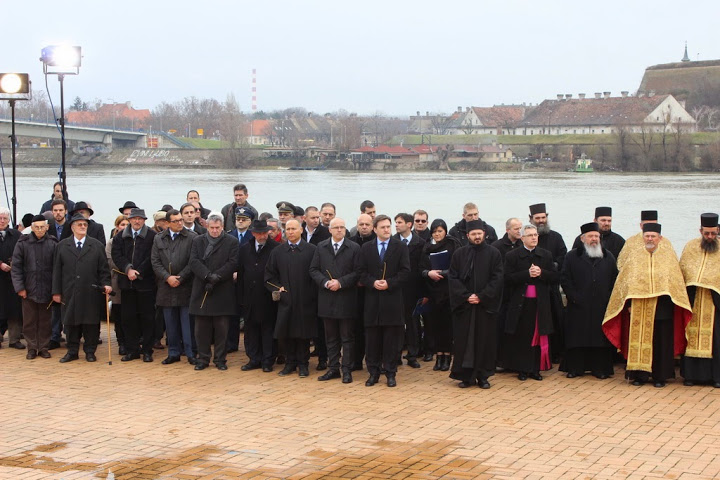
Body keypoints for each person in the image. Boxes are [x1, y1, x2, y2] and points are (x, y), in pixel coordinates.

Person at [603, 223, 692, 387]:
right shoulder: (634, 257)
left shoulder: (668, 257)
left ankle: (660, 376)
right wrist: (628, 304)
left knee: (660, 342)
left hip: (662, 307)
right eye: (647, 236)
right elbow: (625, 283)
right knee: (638, 340)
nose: (650, 239)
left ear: (660, 238)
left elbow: (675, 283)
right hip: (638, 307)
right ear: (643, 237)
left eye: (653, 236)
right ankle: (639, 376)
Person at [448, 219, 504, 388]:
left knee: (485, 341)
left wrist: (482, 296)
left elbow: (497, 278)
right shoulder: (459, 254)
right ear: (468, 235)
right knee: (464, 342)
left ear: (484, 234)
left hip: (484, 306)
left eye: (479, 233)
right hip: (465, 306)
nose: (477, 236)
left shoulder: (494, 253)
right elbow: (453, 277)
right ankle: (465, 377)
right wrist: (466, 296)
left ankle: (483, 376)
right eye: (474, 234)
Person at [357, 214, 410, 387]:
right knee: (372, 340)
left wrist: (389, 283)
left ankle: (390, 373)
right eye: (383, 227)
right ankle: (373, 373)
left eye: (388, 226)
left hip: (392, 300)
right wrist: (372, 282)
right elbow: (361, 272)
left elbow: (405, 272)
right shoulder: (366, 248)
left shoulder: (400, 247)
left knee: (391, 341)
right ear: (375, 229)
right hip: (372, 301)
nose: (387, 230)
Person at [560, 223, 618, 379]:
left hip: (601, 305)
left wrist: (608, 298)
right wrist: (573, 297)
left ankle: (599, 369)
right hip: (578, 305)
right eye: (591, 236)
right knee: (577, 338)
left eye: (596, 236)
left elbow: (614, 280)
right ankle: (575, 368)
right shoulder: (572, 256)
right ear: (582, 238)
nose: (594, 239)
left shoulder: (608, 256)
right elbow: (565, 279)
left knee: (599, 339)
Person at [52, 214, 112, 363]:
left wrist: (106, 284)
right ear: (72, 227)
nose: (83, 227)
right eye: (79, 224)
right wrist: (56, 291)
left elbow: (104, 270)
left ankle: (90, 351)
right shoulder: (62, 246)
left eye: (85, 224)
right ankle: (72, 351)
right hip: (69, 291)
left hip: (91, 291)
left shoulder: (96, 245)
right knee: (71, 322)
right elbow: (57, 270)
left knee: (91, 323)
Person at [503, 224, 558, 381]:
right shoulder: (512, 256)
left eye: (535, 235)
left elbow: (555, 277)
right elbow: (507, 278)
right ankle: (522, 369)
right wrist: (526, 274)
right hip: (521, 303)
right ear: (522, 238)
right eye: (530, 235)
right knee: (522, 336)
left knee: (538, 335)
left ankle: (535, 369)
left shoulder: (546, 255)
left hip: (540, 303)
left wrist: (541, 273)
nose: (534, 238)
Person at [309, 217, 360, 383]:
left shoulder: (354, 247)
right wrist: (325, 282)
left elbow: (358, 271)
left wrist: (341, 282)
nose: (339, 230)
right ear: (329, 230)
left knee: (347, 337)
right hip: (327, 298)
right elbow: (313, 269)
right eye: (336, 227)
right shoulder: (321, 247)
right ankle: (333, 368)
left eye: (342, 227)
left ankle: (346, 369)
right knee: (330, 338)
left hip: (346, 298)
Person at [265, 219, 318, 377]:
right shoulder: (278, 252)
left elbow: (317, 274)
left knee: (303, 334)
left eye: (294, 229)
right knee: (286, 332)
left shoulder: (312, 250)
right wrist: (278, 288)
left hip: (305, 300)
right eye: (288, 229)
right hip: (286, 300)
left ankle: (303, 364)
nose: (290, 232)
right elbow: (269, 276)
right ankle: (290, 363)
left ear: (301, 230)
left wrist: (311, 294)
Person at [189, 212, 239, 370]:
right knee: (201, 329)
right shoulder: (198, 241)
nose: (215, 230)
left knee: (222, 329)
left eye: (217, 227)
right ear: (207, 227)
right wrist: (207, 275)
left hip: (222, 289)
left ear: (222, 226)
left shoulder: (231, 241)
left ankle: (220, 359)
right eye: (212, 228)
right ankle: (203, 359)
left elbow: (233, 262)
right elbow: (194, 261)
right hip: (202, 288)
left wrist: (217, 276)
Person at [152, 209, 197, 365]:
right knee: (170, 324)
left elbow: (193, 261)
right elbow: (155, 262)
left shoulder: (192, 237)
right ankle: (173, 352)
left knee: (187, 324)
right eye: (176, 221)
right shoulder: (159, 238)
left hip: (186, 286)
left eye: (180, 220)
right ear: (167, 223)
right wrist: (167, 277)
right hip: (166, 287)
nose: (179, 223)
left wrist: (181, 277)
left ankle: (191, 353)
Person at [679, 213, 720, 387]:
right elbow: (683, 270)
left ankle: (716, 377)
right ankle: (691, 376)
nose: (710, 237)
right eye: (706, 233)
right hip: (694, 299)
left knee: (716, 340)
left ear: (718, 231)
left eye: (713, 233)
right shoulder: (690, 247)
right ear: (700, 231)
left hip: (715, 302)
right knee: (691, 336)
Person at [112, 208, 157, 362]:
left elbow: (152, 257)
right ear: (130, 220)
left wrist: (139, 271)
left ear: (144, 220)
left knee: (147, 318)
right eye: (134, 218)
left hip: (146, 283)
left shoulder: (152, 236)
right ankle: (132, 350)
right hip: (127, 283)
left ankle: (147, 351)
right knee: (128, 318)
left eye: (140, 219)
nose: (137, 221)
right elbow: (117, 255)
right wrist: (128, 269)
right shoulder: (120, 237)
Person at [11, 215, 57, 359]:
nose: (39, 230)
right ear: (31, 228)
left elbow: (58, 268)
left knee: (45, 321)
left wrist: (55, 290)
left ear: (47, 227)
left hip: (47, 289)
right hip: (28, 289)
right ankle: (31, 348)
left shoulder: (53, 243)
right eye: (36, 227)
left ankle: (43, 347)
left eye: (42, 227)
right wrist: (20, 288)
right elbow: (16, 267)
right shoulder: (22, 243)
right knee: (29, 321)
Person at [237, 219, 279, 372]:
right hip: (249, 297)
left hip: (267, 297)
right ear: (253, 233)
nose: (262, 236)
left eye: (264, 233)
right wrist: (240, 296)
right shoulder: (245, 248)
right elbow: (241, 274)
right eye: (259, 233)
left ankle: (268, 360)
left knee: (268, 330)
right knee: (251, 329)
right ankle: (254, 358)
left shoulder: (275, 248)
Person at [420, 219, 461, 371]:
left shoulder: (453, 245)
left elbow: (458, 268)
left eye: (440, 231)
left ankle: (447, 357)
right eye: (434, 232)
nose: (437, 234)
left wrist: (443, 273)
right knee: (435, 326)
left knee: (447, 326)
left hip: (448, 291)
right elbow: (421, 268)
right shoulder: (427, 247)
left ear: (445, 231)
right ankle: (438, 357)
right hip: (432, 291)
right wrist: (428, 273)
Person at [528, 202, 566, 361]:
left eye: (543, 217)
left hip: (551, 287)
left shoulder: (556, 237)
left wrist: (550, 267)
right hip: (533, 290)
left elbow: (563, 259)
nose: (541, 221)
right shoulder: (526, 239)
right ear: (531, 219)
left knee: (556, 320)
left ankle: (555, 354)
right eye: (537, 218)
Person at [394, 212, 425, 368]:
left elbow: (422, 266)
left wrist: (423, 292)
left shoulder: (420, 243)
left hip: (413, 289)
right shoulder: (392, 241)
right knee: (397, 323)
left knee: (413, 323)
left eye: (399, 222)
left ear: (409, 224)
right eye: (396, 222)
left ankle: (413, 355)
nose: (396, 225)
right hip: (396, 289)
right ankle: (396, 354)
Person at [349, 213, 377, 371]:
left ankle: (374, 361)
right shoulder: (351, 242)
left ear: (372, 226)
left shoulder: (377, 242)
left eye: (367, 224)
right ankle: (357, 360)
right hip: (356, 292)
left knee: (373, 328)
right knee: (356, 327)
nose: (364, 227)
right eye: (361, 224)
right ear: (357, 225)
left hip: (373, 290)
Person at [0, 207, 23, 349]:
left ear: (9, 220)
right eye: (0, 218)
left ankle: (14, 339)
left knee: (14, 310)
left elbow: (23, 251)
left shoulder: (16, 235)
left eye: (5, 218)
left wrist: (15, 263)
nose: (2, 221)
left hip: (13, 279)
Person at [106, 214, 129, 355]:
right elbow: (111, 261)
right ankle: (121, 342)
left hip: (132, 282)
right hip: (117, 281)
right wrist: (127, 266)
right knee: (119, 314)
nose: (125, 227)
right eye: (122, 225)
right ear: (117, 226)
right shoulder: (111, 243)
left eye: (127, 225)